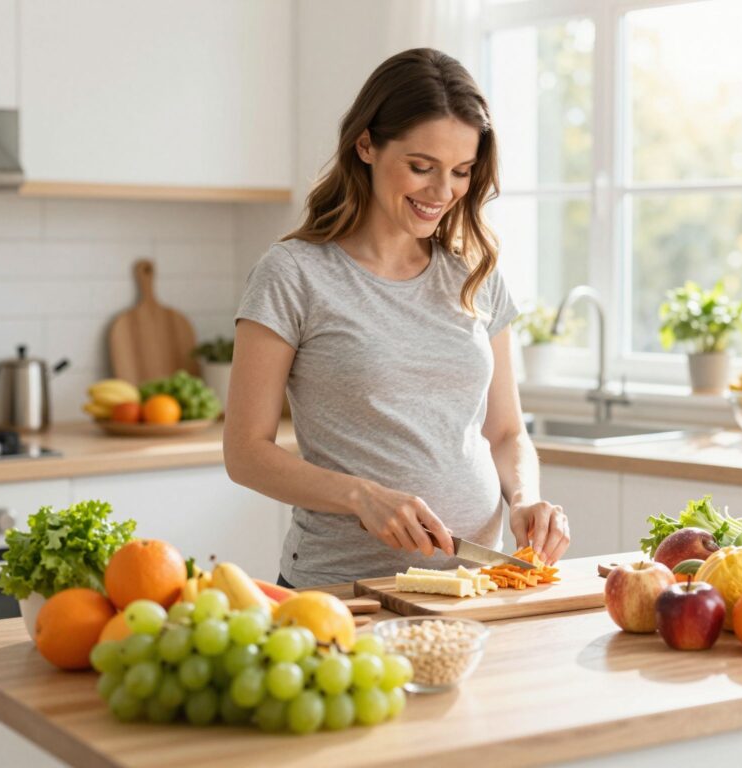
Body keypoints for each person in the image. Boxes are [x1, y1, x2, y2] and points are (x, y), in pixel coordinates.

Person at [224, 48, 570, 587]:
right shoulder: (294, 274)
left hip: (474, 585)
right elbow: (245, 453)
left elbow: (504, 432)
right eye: (420, 167)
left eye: (461, 172)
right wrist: (361, 496)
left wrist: (526, 498)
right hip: (343, 590)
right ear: (366, 144)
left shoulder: (474, 272)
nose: (442, 193)